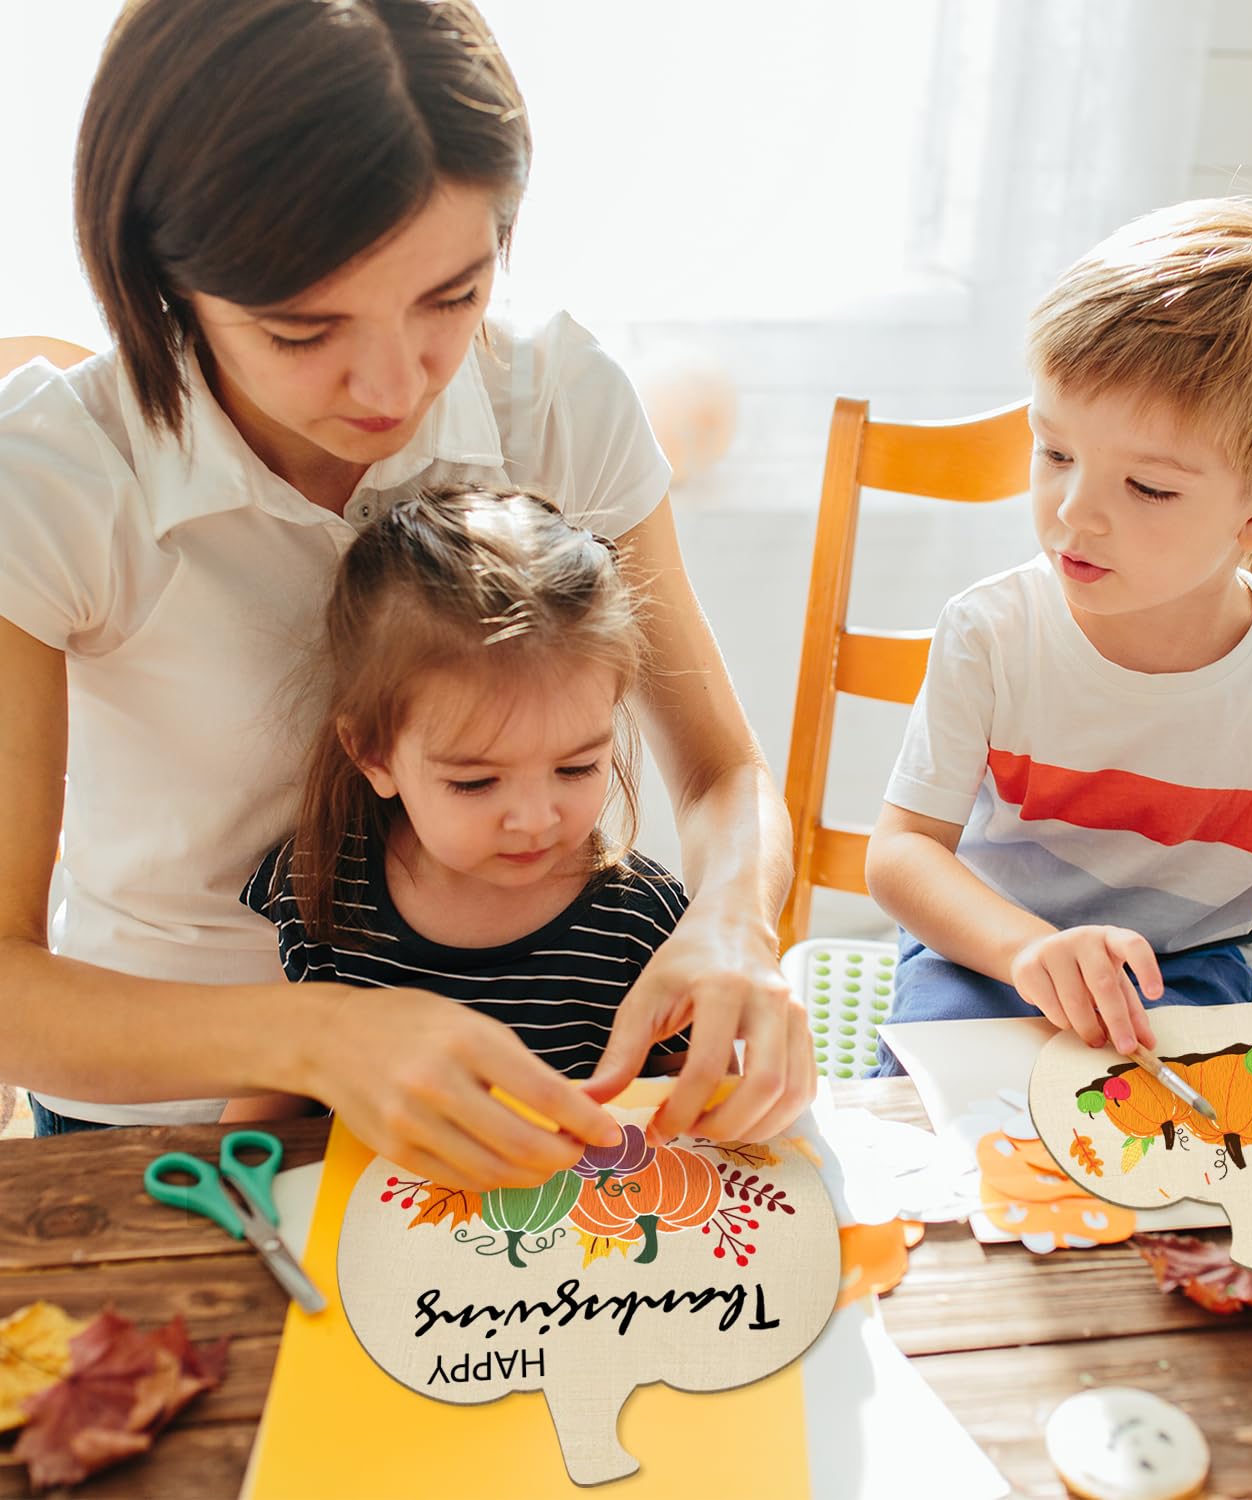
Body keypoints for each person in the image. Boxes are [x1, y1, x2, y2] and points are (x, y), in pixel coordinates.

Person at [0, 0, 811, 1183]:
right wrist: (328, 1039)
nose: (393, 385)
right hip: (162, 1125)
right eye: (300, 327)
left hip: (517, 1077)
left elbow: (720, 768)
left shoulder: (558, 403)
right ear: (158, 274)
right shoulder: (57, 482)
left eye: (451, 298)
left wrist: (737, 921)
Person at [866, 198, 1252, 1074]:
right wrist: (1021, 951)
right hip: (985, 950)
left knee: (1190, 1174)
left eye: (1148, 489)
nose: (1074, 513)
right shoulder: (993, 633)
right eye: (1054, 453)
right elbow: (902, 855)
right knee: (937, 1163)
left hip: (1184, 977)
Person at [224, 485, 692, 1123]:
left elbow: (701, 1118)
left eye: (577, 767)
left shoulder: (644, 920)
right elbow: (267, 1100)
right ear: (373, 755)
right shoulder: (318, 883)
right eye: (476, 783)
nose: (534, 819)